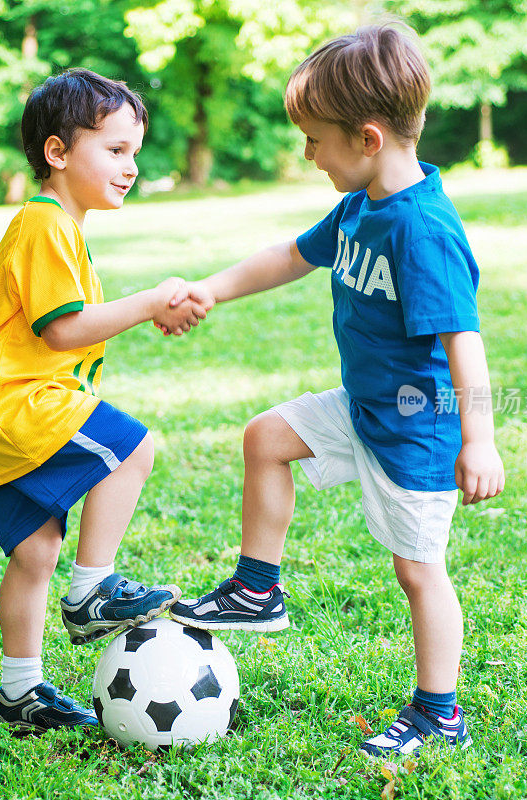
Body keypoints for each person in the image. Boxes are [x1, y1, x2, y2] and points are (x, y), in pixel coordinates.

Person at [168, 24, 505, 756]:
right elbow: (291, 256)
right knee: (266, 437)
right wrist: (212, 291)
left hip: (417, 430)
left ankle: (438, 711)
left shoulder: (422, 228)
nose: (309, 155)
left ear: (370, 137)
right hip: (362, 407)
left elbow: (463, 340)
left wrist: (478, 438)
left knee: (419, 572)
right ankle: (257, 588)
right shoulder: (361, 207)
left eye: (316, 140)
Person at [0, 69, 206, 732]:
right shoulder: (46, 225)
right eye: (115, 150)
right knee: (134, 447)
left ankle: (20, 693)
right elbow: (61, 327)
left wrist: (150, 311)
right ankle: (93, 588)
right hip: (18, 402)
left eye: (135, 153)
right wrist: (151, 302)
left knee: (34, 553)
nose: (131, 167)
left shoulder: (59, 227)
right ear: (58, 153)